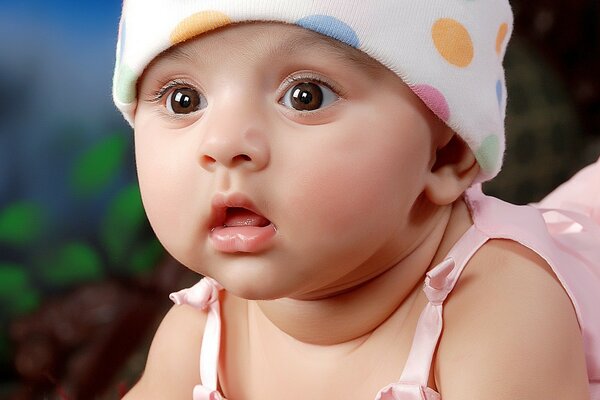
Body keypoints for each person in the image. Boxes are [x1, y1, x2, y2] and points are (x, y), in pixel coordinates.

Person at [111, 1, 600, 399]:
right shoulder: (198, 337)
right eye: (183, 100)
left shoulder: (501, 315)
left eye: (305, 96)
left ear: (445, 155)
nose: (222, 144)